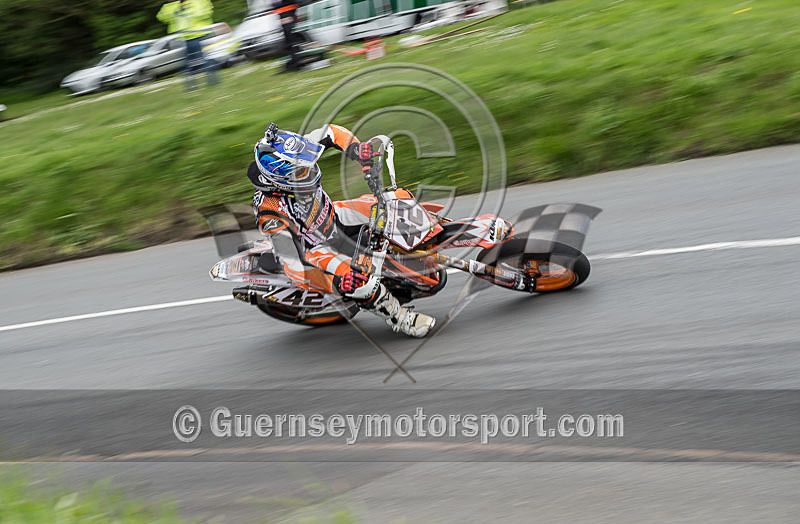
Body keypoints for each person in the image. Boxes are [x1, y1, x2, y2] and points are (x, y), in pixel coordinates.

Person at [246, 123, 437, 337]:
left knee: (396, 201)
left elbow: (331, 132)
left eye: (308, 166)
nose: (309, 172)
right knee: (358, 281)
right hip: (315, 249)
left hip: (333, 215)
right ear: (279, 180)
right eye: (301, 173)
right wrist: (337, 281)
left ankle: (438, 231)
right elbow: (292, 265)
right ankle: (401, 319)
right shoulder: (269, 213)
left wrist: (356, 149)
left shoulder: (295, 150)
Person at [157, 0, 219, 90]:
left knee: (205, 60)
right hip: (182, 39)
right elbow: (162, 17)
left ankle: (213, 82)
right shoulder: (170, 6)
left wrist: (184, 12)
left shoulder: (199, 1)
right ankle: (192, 87)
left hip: (199, 35)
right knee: (186, 65)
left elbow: (204, 13)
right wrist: (178, 10)